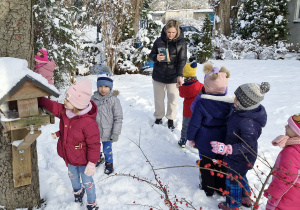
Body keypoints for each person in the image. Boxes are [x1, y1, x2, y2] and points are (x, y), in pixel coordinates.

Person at [38, 79, 100, 210]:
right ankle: (78, 192)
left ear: (77, 103)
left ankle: (92, 203)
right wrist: (40, 100)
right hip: (71, 157)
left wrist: (92, 162)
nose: (64, 101)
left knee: (88, 182)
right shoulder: (65, 112)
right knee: (73, 177)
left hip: (84, 161)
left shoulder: (88, 123)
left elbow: (94, 144)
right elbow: (53, 106)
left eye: (67, 99)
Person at [211, 82, 270, 210]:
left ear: (245, 102)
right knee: (240, 177)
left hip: (241, 157)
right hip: (239, 157)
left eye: (236, 98)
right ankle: (246, 198)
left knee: (232, 182)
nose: (234, 99)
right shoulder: (243, 111)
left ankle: (233, 205)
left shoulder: (248, 122)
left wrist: (228, 149)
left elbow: (247, 145)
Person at [187, 62, 233, 196]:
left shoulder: (201, 103)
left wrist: (191, 137)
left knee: (206, 163)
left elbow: (194, 124)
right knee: (220, 162)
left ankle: (208, 188)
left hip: (204, 139)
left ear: (206, 88)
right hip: (222, 140)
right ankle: (221, 186)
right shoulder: (230, 103)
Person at [149, 19, 187, 130]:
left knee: (172, 100)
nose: (170, 35)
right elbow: (151, 55)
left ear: (177, 32)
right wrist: (156, 57)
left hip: (173, 76)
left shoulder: (182, 43)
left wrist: (179, 75)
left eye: (173, 32)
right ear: (165, 31)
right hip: (158, 75)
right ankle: (159, 117)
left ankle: (170, 119)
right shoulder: (159, 41)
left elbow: (182, 60)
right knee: (158, 99)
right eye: (168, 32)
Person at [264, 114, 300, 210]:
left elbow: (285, 176)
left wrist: (273, 193)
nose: (285, 126)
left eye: (289, 126)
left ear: (297, 132)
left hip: (286, 196)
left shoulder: (291, 152)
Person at [91, 68, 123, 175]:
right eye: (100, 86)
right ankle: (98, 158)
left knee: (107, 150)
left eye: (106, 86)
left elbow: (118, 118)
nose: (103, 89)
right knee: (95, 148)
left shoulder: (114, 100)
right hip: (95, 131)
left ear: (110, 87)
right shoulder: (93, 99)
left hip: (108, 132)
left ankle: (109, 164)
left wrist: (115, 133)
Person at [177, 62, 203, 148]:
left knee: (185, 126)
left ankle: (183, 140)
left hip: (187, 111)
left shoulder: (184, 87)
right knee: (196, 126)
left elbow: (181, 94)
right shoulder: (200, 85)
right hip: (197, 111)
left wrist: (179, 87)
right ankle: (195, 142)